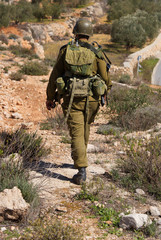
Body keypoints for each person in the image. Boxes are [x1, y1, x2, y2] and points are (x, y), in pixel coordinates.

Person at [46, 18, 112, 185]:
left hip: (71, 97)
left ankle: (81, 170)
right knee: (85, 126)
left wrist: (50, 97)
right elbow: (105, 78)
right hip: (92, 99)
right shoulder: (96, 52)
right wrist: (106, 91)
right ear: (89, 34)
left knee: (76, 131)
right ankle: (79, 157)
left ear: (75, 32)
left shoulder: (66, 50)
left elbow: (54, 76)